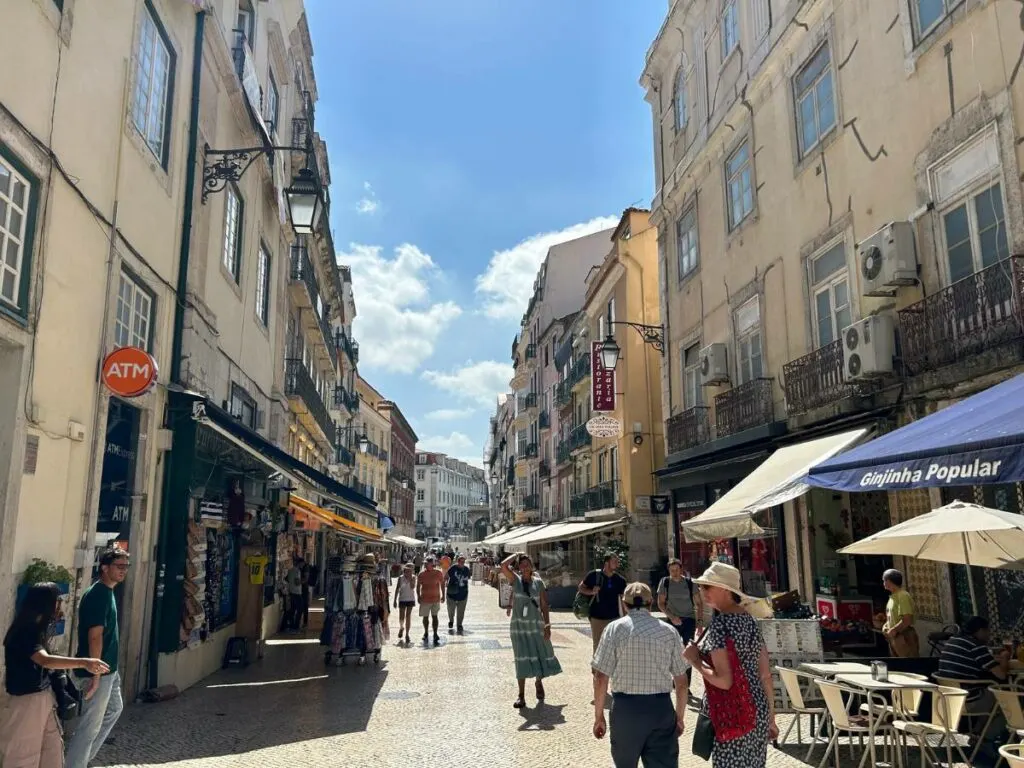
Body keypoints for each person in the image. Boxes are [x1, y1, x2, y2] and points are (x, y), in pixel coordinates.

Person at [1, 583, 109, 768]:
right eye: (58, 601)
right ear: (46, 603)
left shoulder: (37, 630)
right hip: (26, 701)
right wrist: (85, 662)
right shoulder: (25, 631)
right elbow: (45, 660)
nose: (60, 606)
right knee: (22, 757)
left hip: (44, 699)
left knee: (52, 755)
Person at [683, 563, 778, 768]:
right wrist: (771, 716)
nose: (702, 591)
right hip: (757, 709)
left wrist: (695, 661)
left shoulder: (720, 626)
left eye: (707, 587)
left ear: (725, 590)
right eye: (701, 587)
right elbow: (765, 675)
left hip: (731, 712)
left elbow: (724, 681)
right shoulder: (750, 621)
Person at [592, 582, 690, 768]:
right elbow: (682, 682)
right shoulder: (669, 632)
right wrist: (679, 717)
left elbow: (600, 678)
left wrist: (599, 717)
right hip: (660, 709)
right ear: (651, 603)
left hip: (625, 710)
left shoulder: (614, 629)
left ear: (624, 603)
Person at [65, 547, 130, 768]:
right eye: (119, 566)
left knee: (114, 709)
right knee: (90, 726)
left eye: (126, 567)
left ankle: (82, 760)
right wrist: (95, 675)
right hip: (98, 671)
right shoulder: (98, 594)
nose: (124, 571)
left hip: (108, 670)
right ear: (104, 567)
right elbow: (95, 636)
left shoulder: (107, 592)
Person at [499, 552, 561, 708]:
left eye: (527, 564)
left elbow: (545, 606)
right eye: (522, 564)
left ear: (532, 566)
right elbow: (503, 566)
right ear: (519, 567)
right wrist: (517, 554)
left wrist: (547, 626)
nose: (525, 566)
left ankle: (538, 682)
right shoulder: (515, 581)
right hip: (519, 628)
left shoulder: (538, 583)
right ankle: (521, 695)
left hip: (536, 626)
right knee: (521, 657)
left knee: (538, 653)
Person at [937, 616, 1008, 742]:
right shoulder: (976, 646)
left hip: (947, 698)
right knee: (1007, 701)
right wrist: (1005, 659)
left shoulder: (953, 640)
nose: (989, 635)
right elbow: (1001, 675)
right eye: (988, 631)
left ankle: (977, 733)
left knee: (991, 695)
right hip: (968, 700)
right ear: (980, 631)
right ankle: (987, 739)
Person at [578, 554, 627, 655]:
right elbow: (581, 588)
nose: (617, 564)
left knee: (614, 644)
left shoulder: (620, 580)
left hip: (614, 617)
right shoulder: (594, 575)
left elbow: (623, 599)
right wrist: (591, 592)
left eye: (617, 562)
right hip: (597, 617)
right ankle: (596, 669)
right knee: (598, 643)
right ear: (606, 563)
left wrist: (626, 616)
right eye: (614, 562)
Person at [657, 559, 703, 646]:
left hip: (689, 619)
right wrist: (672, 617)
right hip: (672, 619)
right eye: (672, 570)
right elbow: (661, 603)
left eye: (677, 570)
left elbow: (699, 603)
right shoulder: (665, 582)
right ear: (669, 571)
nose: (675, 573)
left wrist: (700, 623)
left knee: (689, 648)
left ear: (681, 569)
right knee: (672, 647)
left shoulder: (690, 582)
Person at [881, 568, 918, 657]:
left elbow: (907, 620)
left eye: (884, 580)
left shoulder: (903, 596)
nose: (883, 583)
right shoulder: (893, 597)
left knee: (908, 665)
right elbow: (892, 617)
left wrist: (894, 630)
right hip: (894, 637)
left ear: (889, 581)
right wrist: (886, 626)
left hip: (904, 636)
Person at [416, 556, 445, 645]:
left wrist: (443, 595)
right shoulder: (421, 574)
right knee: (425, 617)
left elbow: (442, 584)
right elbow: (418, 586)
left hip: (435, 599)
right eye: (425, 563)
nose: (425, 564)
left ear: (432, 564)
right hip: (425, 599)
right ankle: (426, 632)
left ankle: (435, 633)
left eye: (427, 563)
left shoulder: (438, 573)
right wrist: (418, 596)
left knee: (435, 616)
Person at [445, 554, 471, 634]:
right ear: (458, 561)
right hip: (452, 593)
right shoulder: (453, 568)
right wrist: (446, 582)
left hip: (463, 593)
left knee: (461, 611)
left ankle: (459, 624)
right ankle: (451, 621)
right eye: (460, 561)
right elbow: (446, 576)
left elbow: (468, 578)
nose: (462, 563)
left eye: (463, 561)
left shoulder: (467, 569)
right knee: (450, 609)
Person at [393, 563, 417, 643]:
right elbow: (397, 589)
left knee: (408, 616)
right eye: (407, 570)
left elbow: (412, 587)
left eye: (410, 570)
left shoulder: (413, 577)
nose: (408, 572)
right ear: (405, 570)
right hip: (402, 599)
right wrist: (394, 600)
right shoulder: (400, 578)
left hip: (410, 599)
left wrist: (410, 579)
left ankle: (407, 634)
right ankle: (401, 627)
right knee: (401, 616)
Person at [284, 557, 303, 632]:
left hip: (291, 592)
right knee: (300, 609)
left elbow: (286, 579)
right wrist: (303, 581)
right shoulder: (297, 571)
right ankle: (296, 626)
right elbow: (297, 582)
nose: (302, 565)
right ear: (299, 563)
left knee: (293, 609)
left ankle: (291, 625)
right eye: (302, 564)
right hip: (297, 592)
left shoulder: (290, 570)